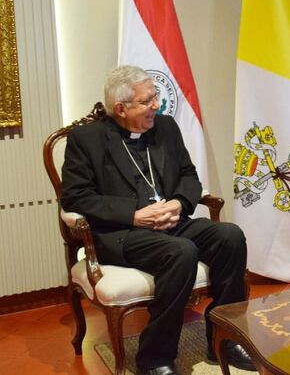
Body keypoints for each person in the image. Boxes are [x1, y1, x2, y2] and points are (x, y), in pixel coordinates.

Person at [61, 66, 256, 375]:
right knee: (181, 252)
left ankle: (224, 339)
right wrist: (134, 215)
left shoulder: (165, 127)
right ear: (121, 109)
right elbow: (76, 197)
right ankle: (155, 359)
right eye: (147, 100)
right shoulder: (86, 140)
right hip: (123, 232)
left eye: (156, 96)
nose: (157, 105)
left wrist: (178, 203)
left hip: (172, 222)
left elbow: (188, 175)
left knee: (230, 236)